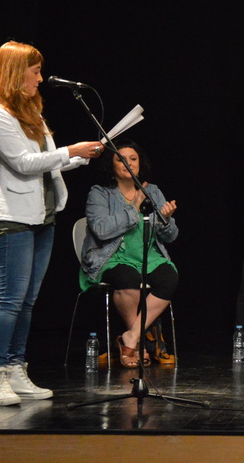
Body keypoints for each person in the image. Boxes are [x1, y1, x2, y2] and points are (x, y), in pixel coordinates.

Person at [0, 41, 103, 405]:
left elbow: (46, 161)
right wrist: (71, 151)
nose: (39, 78)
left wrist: (81, 157)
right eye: (35, 71)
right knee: (11, 300)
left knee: (28, 301)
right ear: (16, 73)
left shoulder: (32, 113)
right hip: (13, 218)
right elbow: (23, 163)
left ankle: (17, 368)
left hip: (42, 215)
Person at [82, 141, 179, 368]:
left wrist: (166, 220)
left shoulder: (152, 191)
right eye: (121, 159)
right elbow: (101, 230)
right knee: (128, 279)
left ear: (140, 163)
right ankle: (138, 344)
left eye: (133, 159)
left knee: (169, 277)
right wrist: (133, 207)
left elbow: (171, 236)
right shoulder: (100, 193)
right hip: (112, 256)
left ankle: (132, 338)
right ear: (112, 165)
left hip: (148, 256)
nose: (129, 163)